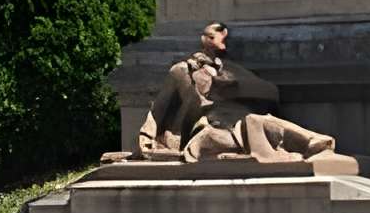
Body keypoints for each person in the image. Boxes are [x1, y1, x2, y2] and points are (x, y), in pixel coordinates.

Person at [139, 22, 338, 162]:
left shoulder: (230, 69)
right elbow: (158, 111)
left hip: (238, 118)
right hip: (210, 127)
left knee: (257, 120)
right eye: (216, 35)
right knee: (254, 121)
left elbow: (270, 92)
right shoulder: (181, 70)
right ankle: (310, 143)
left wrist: (236, 87)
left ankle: (312, 143)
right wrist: (146, 143)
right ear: (204, 39)